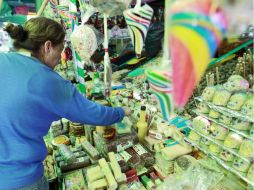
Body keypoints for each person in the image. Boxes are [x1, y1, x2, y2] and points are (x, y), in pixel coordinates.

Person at [0, 17, 131, 190]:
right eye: (61, 49)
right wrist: (121, 112)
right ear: (47, 46)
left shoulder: (4, 59)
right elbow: (94, 114)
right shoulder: (46, 80)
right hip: (20, 179)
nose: (61, 56)